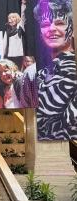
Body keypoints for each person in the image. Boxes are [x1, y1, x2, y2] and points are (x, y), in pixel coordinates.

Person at [34, 0, 77, 140]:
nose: (51, 28)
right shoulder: (42, 73)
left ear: (72, 28)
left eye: (59, 23)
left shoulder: (72, 68)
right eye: (45, 24)